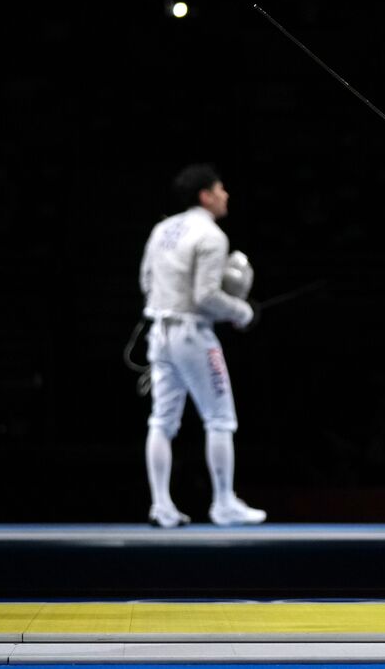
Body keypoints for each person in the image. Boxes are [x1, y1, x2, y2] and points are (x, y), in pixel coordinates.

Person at [138, 163, 267, 527]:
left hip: (159, 333)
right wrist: (242, 311)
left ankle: (161, 506)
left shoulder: (162, 229)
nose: (226, 195)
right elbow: (206, 294)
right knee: (221, 418)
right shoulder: (210, 235)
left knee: (161, 421)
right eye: (221, 189)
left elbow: (147, 281)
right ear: (205, 195)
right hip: (194, 336)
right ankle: (223, 502)